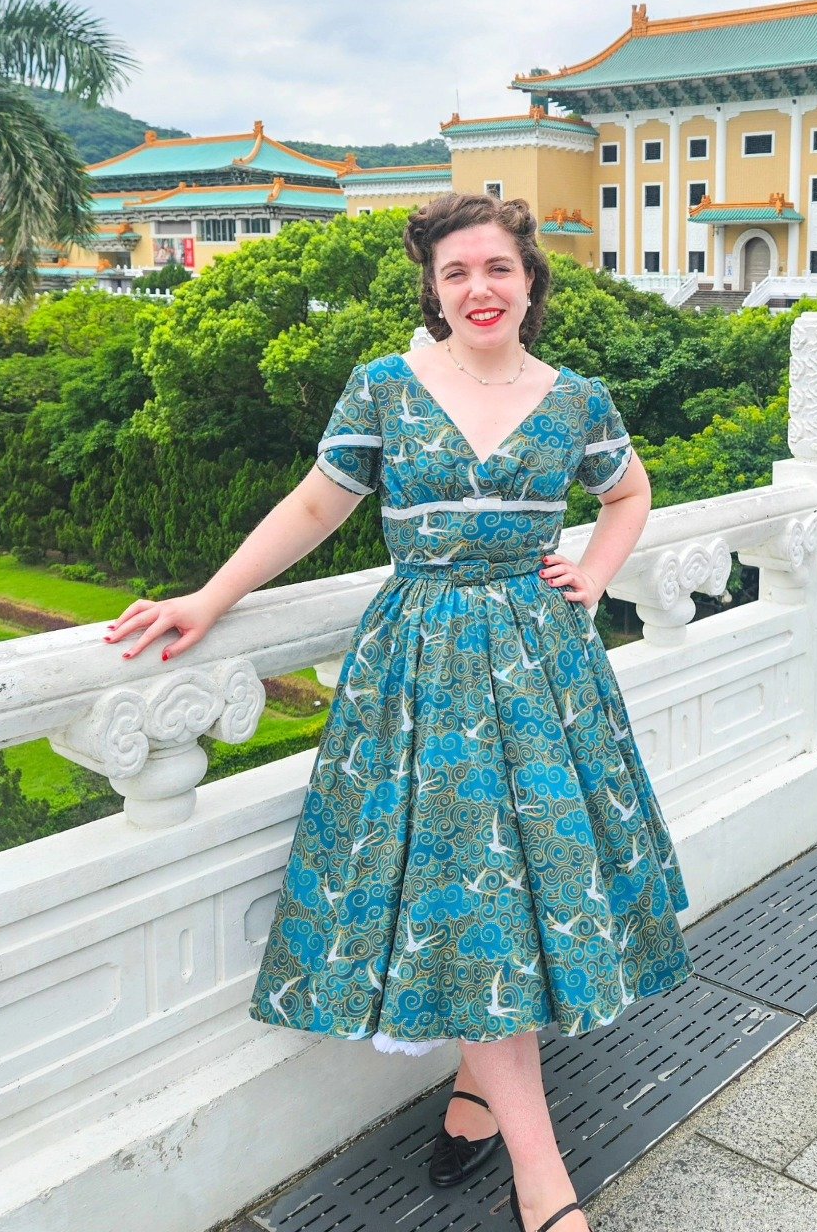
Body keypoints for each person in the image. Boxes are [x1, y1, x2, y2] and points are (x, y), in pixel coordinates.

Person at [104, 193, 694, 1232]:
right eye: (457, 272)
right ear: (433, 286)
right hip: (418, 670)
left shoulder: (575, 399)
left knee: (522, 885)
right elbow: (314, 506)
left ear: (529, 283)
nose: (478, 289)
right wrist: (209, 596)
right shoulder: (386, 386)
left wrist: (596, 578)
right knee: (469, 898)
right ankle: (542, 1177)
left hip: (542, 667)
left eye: (498, 270)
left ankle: (481, 1099)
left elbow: (630, 494)